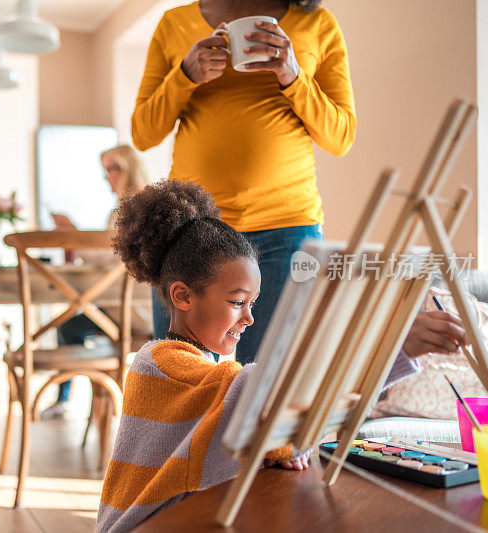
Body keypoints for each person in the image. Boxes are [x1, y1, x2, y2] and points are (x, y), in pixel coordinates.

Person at [96, 180, 438, 532]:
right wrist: (392, 347)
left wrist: (272, 449)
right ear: (183, 296)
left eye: (252, 303)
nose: (249, 318)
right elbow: (254, 393)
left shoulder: (186, 364)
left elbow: (215, 440)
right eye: (236, 302)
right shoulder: (161, 365)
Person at [132, 0, 356, 365]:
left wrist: (293, 75)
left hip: (287, 226)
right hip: (193, 230)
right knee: (179, 375)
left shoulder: (316, 24)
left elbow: (341, 136)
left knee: (268, 385)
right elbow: (143, 133)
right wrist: (185, 75)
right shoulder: (174, 24)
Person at [40, 144, 150, 419]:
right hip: (138, 310)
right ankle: (97, 387)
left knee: (67, 328)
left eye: (111, 169)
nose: (107, 177)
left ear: (127, 169)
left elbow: (109, 255)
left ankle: (78, 393)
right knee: (72, 326)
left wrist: (72, 233)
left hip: (132, 313)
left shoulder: (130, 210)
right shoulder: (137, 208)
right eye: (105, 171)